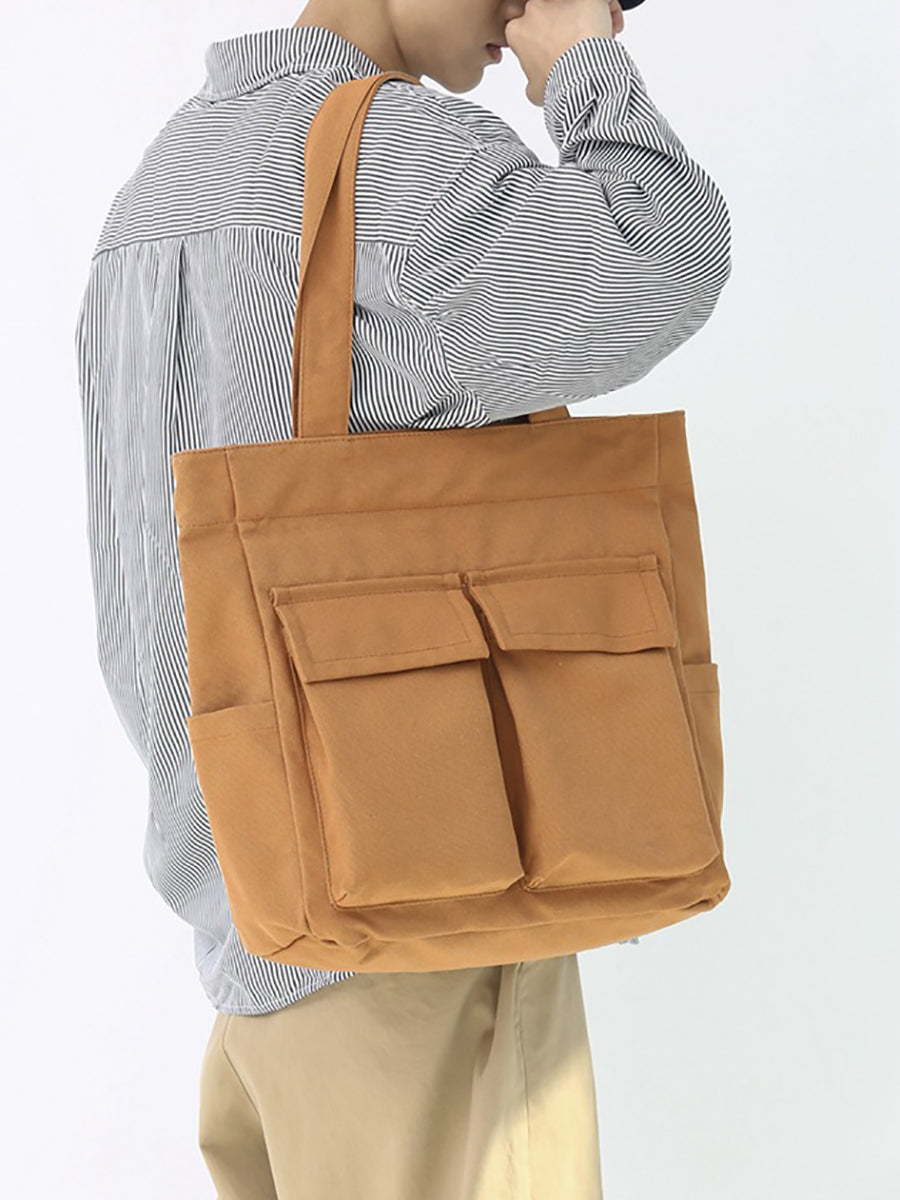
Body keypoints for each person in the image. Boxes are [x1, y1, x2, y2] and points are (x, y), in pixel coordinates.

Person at [74, 0, 731, 1195]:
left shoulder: (157, 188)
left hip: (252, 932)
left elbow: (136, 592)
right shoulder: (404, 158)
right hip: (419, 921)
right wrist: (585, 67)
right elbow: (663, 258)